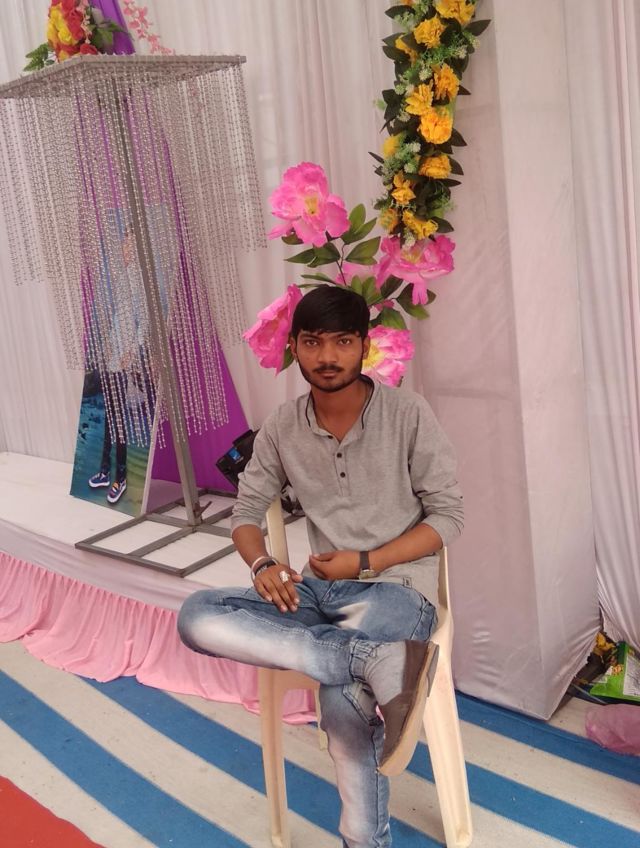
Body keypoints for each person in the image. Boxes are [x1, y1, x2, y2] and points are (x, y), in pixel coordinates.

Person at [178, 285, 464, 847]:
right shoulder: (282, 425)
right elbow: (245, 513)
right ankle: (376, 661)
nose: (327, 356)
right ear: (294, 348)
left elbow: (448, 517)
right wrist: (262, 563)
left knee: (342, 698)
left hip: (395, 589)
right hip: (317, 592)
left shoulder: (407, 413)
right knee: (197, 615)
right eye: (312, 342)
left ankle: (364, 841)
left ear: (364, 346)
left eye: (342, 341)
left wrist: (366, 560)